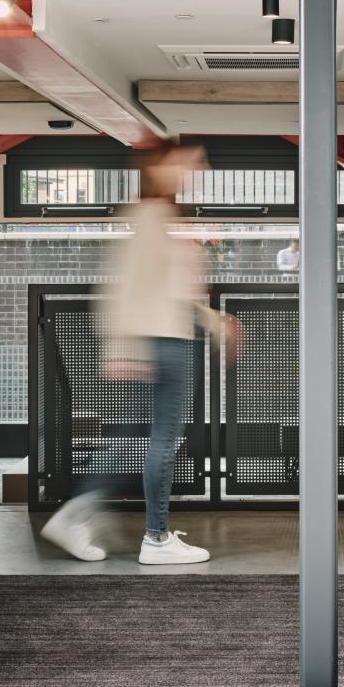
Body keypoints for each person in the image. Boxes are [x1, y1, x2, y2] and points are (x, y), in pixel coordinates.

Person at [41, 143, 238, 566]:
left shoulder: (160, 219)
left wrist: (214, 321)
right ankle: (155, 537)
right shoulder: (150, 219)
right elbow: (124, 288)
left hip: (164, 339)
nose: (191, 171)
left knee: (135, 435)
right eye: (183, 163)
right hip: (162, 343)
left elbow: (172, 292)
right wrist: (121, 348)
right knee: (160, 440)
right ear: (158, 168)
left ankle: (81, 514)